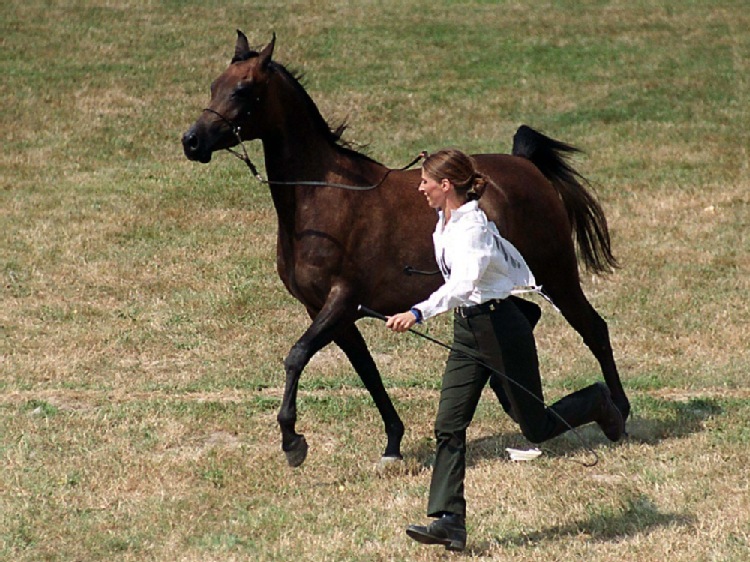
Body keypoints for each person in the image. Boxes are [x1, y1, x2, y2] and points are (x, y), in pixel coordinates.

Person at [385, 149, 624, 552]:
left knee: (535, 427)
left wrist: (417, 312)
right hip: (468, 332)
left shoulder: (473, 229)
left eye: (426, 181)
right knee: (448, 423)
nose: (419, 187)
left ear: (446, 186)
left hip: (500, 328)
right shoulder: (443, 221)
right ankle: (450, 521)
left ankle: (597, 402)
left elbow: (464, 284)